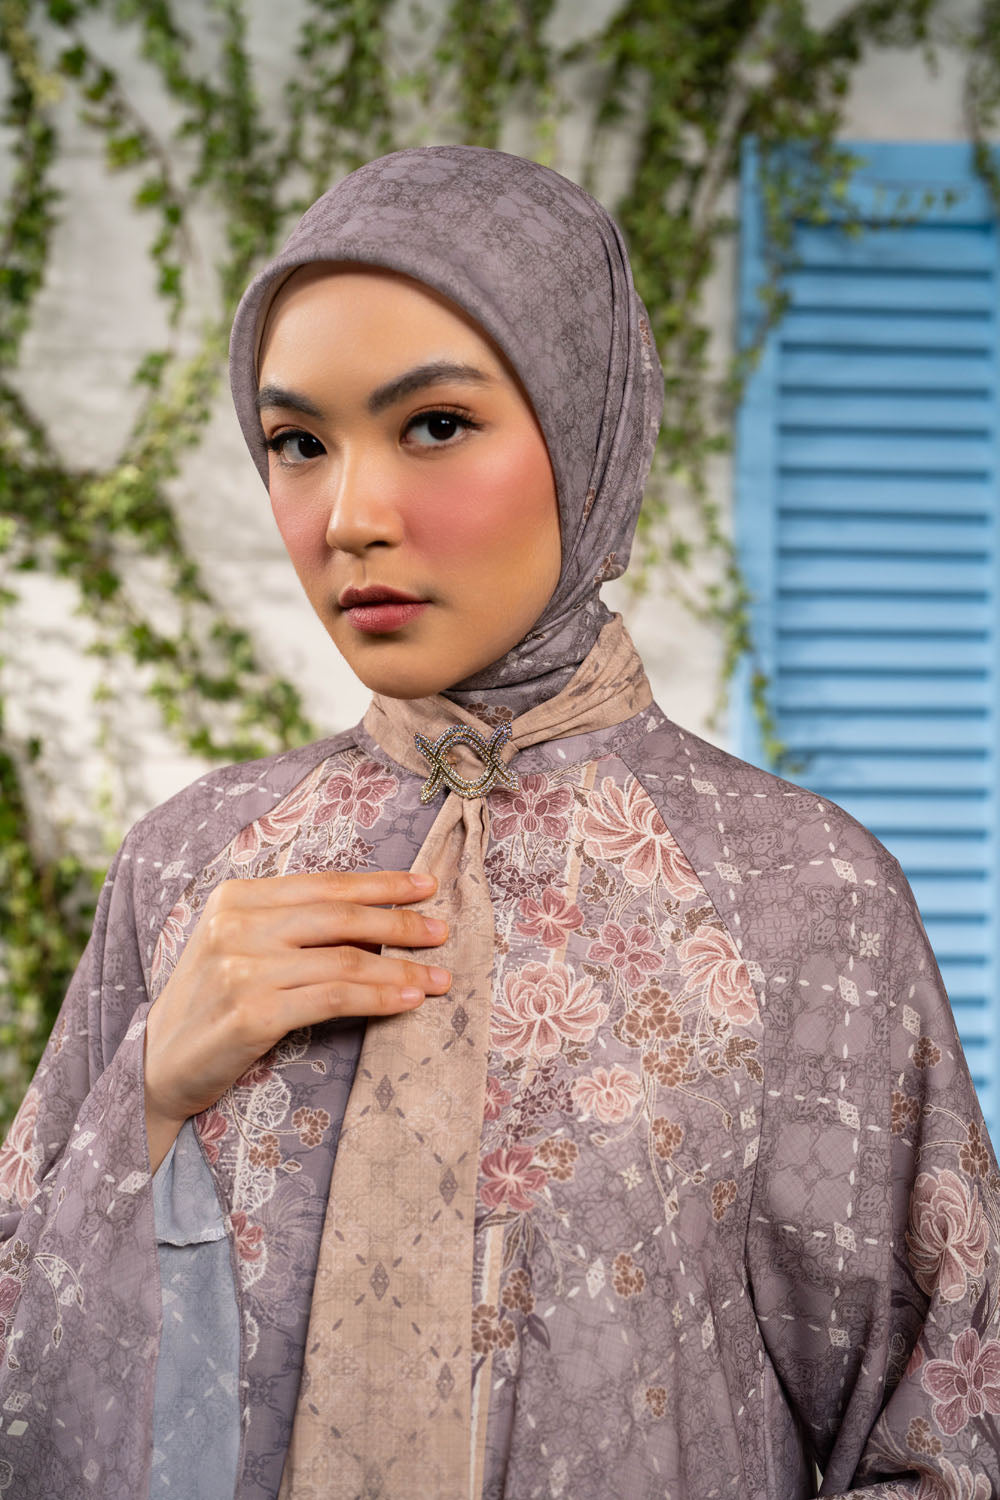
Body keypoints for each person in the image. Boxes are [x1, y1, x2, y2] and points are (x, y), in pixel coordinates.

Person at [0, 145, 998, 1500]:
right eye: (298, 444)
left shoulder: (802, 897)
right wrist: (150, 1099)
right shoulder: (188, 869)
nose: (350, 517)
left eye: (434, 425)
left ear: (586, 436)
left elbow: (943, 1431)